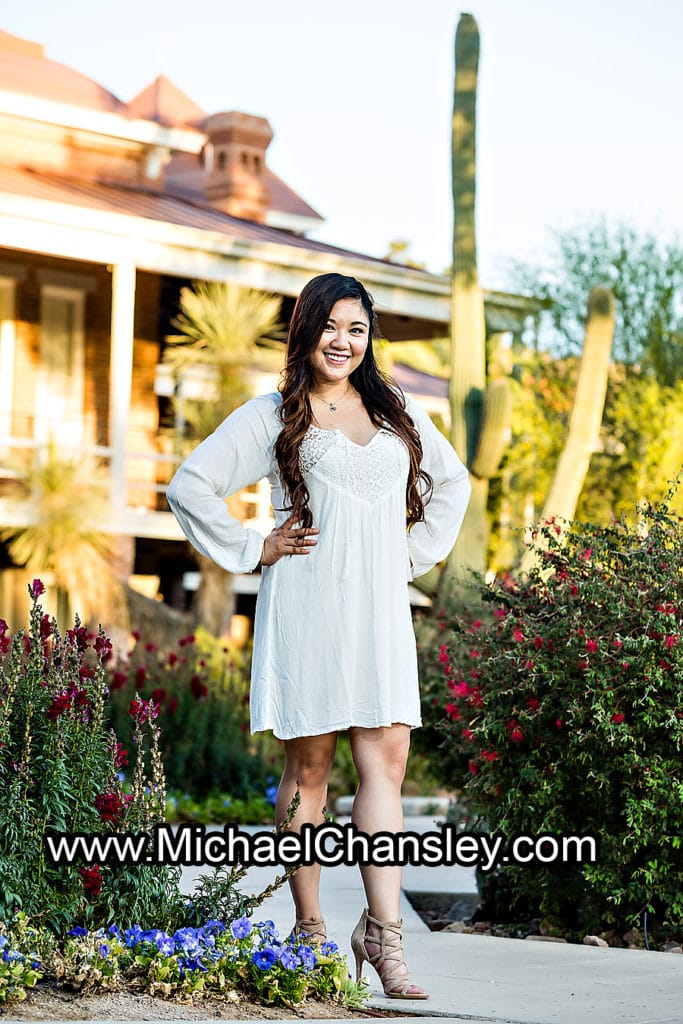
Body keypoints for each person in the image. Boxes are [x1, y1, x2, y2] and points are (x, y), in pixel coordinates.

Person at [167, 272, 471, 999]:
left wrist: (405, 553)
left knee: (387, 762)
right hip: (306, 603)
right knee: (310, 770)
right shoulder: (273, 412)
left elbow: (452, 484)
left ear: (368, 339)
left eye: (357, 329)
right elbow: (189, 484)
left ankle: (384, 936)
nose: (344, 340)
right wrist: (254, 547)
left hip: (377, 608)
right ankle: (310, 932)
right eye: (331, 325)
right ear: (306, 329)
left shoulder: (394, 410)